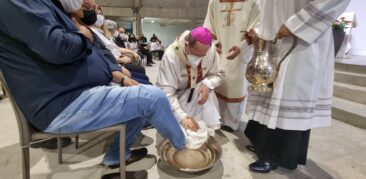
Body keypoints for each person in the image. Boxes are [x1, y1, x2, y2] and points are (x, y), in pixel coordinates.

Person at [0, 0, 185, 176]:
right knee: (154, 98)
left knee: (138, 102)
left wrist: (117, 76)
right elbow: (57, 47)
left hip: (75, 91)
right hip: (61, 103)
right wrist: (83, 36)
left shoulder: (48, 6)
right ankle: (186, 149)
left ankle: (115, 158)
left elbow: (95, 52)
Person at [243, 0, 351, 173]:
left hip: (301, 39)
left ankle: (276, 155)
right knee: (271, 91)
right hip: (275, 35)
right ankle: (263, 145)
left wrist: (296, 24)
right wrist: (259, 28)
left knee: (288, 94)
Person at [203, 0, 260, 132]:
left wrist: (242, 47)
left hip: (239, 52)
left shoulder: (252, 2)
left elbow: (257, 27)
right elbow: (208, 26)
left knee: (236, 85)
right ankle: (216, 118)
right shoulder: (214, 2)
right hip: (220, 51)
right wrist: (215, 43)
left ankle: (232, 121)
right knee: (218, 82)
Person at [156, 27, 225, 132]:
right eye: (196, 55)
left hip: (197, 94)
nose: (199, 59)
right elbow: (166, 92)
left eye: (203, 56)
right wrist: (182, 116)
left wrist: (208, 84)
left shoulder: (210, 50)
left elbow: (220, 74)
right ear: (187, 45)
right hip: (176, 97)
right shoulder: (171, 56)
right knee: (178, 133)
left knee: (203, 131)